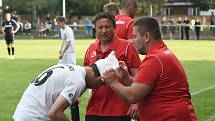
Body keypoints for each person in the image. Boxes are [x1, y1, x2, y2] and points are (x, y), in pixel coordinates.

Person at [103, 17, 197, 121]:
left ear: (146, 36)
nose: (132, 41)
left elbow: (133, 96)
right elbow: (150, 87)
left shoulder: (154, 59)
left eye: (135, 36)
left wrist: (112, 82)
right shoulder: (162, 52)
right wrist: (126, 78)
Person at [13, 52, 120, 121]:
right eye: (102, 84)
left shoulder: (73, 69)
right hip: (34, 117)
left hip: (23, 112)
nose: (98, 87)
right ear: (99, 78)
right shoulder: (78, 82)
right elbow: (54, 113)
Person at [84, 12, 141, 121]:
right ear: (95, 28)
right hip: (94, 110)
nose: (104, 31)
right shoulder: (91, 48)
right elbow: (86, 79)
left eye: (108, 27)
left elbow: (138, 78)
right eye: (100, 27)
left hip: (120, 110)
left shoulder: (127, 47)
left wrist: (136, 103)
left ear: (115, 28)